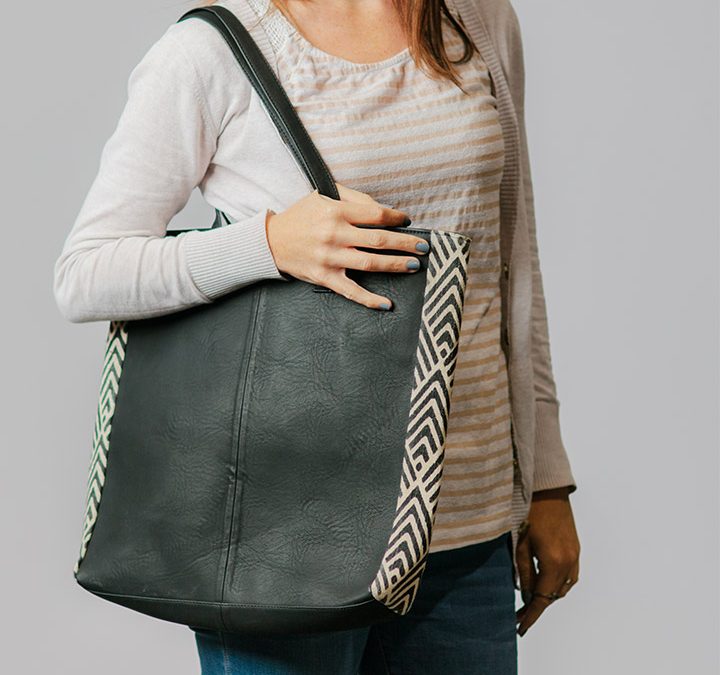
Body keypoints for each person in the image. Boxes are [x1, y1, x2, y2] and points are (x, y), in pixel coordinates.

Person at [53, 0, 581, 672]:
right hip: (291, 536)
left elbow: (513, 264)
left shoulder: (475, 18)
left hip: (467, 530)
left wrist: (546, 483)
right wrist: (270, 242)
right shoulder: (215, 48)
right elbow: (86, 272)